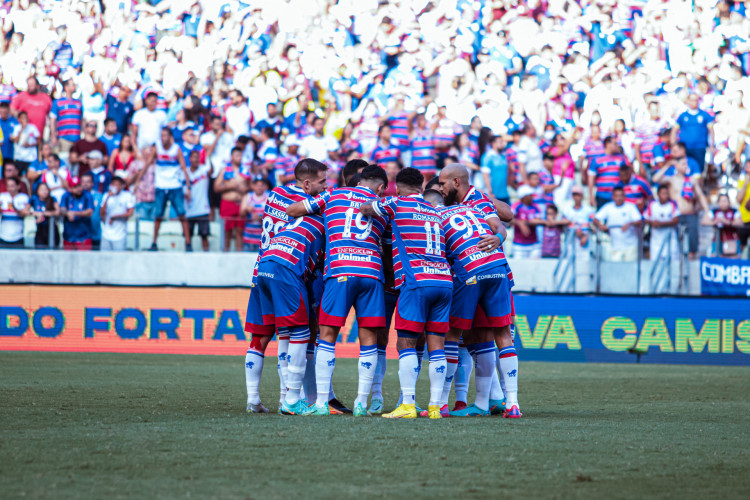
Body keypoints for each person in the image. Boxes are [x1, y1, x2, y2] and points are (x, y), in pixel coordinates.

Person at [286, 165, 391, 417]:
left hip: (340, 271)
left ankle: (322, 402)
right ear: (379, 187)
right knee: (368, 339)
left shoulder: (333, 195)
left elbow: (292, 210)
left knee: (327, 336)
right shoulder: (384, 206)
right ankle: (361, 403)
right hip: (371, 274)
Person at [359, 168, 453, 419]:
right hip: (444, 281)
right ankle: (435, 407)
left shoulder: (396, 203)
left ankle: (408, 404)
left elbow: (365, 209)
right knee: (437, 346)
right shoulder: (435, 210)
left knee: (405, 343)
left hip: (416, 281)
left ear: (398, 188)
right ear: (422, 188)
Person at [423, 189, 520, 418]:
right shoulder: (476, 206)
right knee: (501, 336)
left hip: (470, 272)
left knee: (452, 337)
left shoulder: (437, 217)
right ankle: (511, 404)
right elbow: (503, 223)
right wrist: (497, 239)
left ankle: (441, 405)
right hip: (498, 268)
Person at [244, 158, 329, 414]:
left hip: (262, 267)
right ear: (306, 184)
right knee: (295, 333)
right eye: (322, 182)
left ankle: (253, 398)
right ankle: (289, 398)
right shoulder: (310, 206)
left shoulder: (274, 194)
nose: (326, 187)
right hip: (290, 268)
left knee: (260, 337)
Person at [653, 157, 708, 259]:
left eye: (686, 164)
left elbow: (700, 196)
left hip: (690, 213)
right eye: (683, 164)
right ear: (677, 166)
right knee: (677, 238)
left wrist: (707, 212)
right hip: (676, 214)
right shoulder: (671, 180)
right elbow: (655, 179)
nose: (686, 166)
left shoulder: (691, 180)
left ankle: (692, 255)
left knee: (693, 235)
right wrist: (667, 165)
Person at [147, 128, 192, 252]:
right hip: (161, 186)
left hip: (175, 186)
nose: (163, 138)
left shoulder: (176, 149)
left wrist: (188, 187)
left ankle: (188, 243)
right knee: (158, 216)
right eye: (161, 135)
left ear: (170, 137)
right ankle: (154, 242)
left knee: (182, 214)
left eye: (165, 135)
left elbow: (183, 167)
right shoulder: (157, 148)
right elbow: (147, 163)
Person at [593, 186, 643, 262]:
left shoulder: (630, 207)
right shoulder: (608, 207)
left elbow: (639, 221)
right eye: (617, 196)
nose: (619, 198)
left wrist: (629, 224)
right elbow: (596, 219)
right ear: (613, 197)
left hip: (631, 246)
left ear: (624, 197)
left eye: (621, 196)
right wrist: (601, 226)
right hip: (615, 246)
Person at [214, 147, 247, 252]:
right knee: (227, 231)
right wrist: (230, 186)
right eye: (237, 155)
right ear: (231, 157)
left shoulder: (245, 171)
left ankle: (239, 255)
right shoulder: (224, 170)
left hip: (241, 203)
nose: (240, 158)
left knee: (239, 231)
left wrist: (245, 188)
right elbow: (216, 188)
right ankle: (225, 254)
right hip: (227, 203)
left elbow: (252, 186)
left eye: (241, 155)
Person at [672, 94, 714, 172]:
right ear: (688, 101)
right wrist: (673, 144)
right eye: (692, 100)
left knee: (699, 168)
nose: (694, 102)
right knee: (685, 168)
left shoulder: (704, 115)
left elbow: (711, 130)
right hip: (685, 148)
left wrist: (712, 145)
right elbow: (674, 130)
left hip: (699, 147)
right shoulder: (683, 116)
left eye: (696, 100)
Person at [588, 136, 628, 209]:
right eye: (615, 144)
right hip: (602, 196)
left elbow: (627, 174)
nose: (617, 146)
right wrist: (591, 196)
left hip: (617, 196)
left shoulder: (621, 158)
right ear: (607, 144)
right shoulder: (597, 159)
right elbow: (591, 179)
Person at [185, 149, 212, 252]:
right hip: (189, 210)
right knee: (188, 238)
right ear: (190, 159)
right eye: (194, 157)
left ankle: (207, 257)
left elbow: (211, 170)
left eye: (198, 157)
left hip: (203, 209)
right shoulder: (185, 172)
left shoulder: (204, 170)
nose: (196, 159)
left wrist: (208, 154)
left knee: (204, 236)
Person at [99, 175, 135, 251]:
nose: (115, 186)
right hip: (106, 233)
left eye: (117, 184)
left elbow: (130, 213)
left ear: (122, 186)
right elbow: (101, 213)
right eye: (113, 184)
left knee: (119, 259)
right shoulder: (106, 196)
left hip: (120, 235)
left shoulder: (127, 196)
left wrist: (115, 216)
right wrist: (108, 197)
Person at [645, 185, 680, 261]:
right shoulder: (652, 204)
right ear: (658, 194)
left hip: (670, 240)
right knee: (655, 262)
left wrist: (661, 224)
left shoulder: (672, 204)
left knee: (672, 262)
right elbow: (645, 219)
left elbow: (676, 220)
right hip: (656, 241)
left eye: (667, 193)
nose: (665, 196)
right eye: (663, 193)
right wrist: (652, 223)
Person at [59, 176, 94, 251]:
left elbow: (89, 212)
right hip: (68, 235)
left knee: (85, 260)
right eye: (75, 187)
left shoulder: (87, 195)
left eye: (79, 186)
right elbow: (62, 209)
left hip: (84, 235)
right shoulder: (66, 196)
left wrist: (74, 213)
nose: (78, 189)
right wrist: (67, 213)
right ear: (70, 189)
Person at [702, 194, 743, 258]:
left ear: (729, 202)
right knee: (716, 259)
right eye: (721, 201)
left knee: (733, 259)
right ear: (718, 202)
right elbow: (704, 222)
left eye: (725, 201)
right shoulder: (714, 211)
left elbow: (740, 223)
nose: (723, 203)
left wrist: (727, 222)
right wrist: (715, 222)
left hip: (732, 240)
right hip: (717, 241)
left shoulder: (734, 211)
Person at [49, 79, 83, 154]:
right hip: (64, 139)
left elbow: (82, 120)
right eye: (72, 84)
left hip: (77, 139)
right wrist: (53, 136)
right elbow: (52, 121)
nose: (75, 86)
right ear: (66, 87)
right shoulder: (57, 102)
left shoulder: (79, 102)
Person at [561, 186, 595, 259]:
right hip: (571, 241)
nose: (576, 197)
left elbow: (594, 228)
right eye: (574, 195)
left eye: (578, 195)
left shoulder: (589, 210)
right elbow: (563, 226)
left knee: (585, 264)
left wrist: (585, 237)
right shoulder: (566, 210)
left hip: (585, 242)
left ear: (582, 196)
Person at [511, 185, 545, 258]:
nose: (532, 197)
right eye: (530, 195)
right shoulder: (516, 206)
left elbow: (539, 221)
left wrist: (526, 222)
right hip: (519, 244)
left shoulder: (535, 206)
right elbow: (509, 219)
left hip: (534, 244)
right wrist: (520, 223)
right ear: (524, 196)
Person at [240, 176, 269, 252]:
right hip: (248, 238)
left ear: (265, 186)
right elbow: (241, 214)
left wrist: (260, 218)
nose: (259, 188)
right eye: (257, 185)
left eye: (261, 185)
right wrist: (246, 209)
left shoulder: (269, 197)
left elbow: (272, 217)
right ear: (253, 186)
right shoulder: (248, 196)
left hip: (263, 240)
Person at [0, 176, 30, 247]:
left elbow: (23, 214)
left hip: (18, 236)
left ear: (18, 186)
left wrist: (14, 207)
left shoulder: (24, 197)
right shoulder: (2, 196)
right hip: (3, 236)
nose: (10, 188)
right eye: (8, 186)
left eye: (12, 186)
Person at [30, 182, 60, 249]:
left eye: (46, 189)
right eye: (42, 189)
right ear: (37, 191)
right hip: (40, 229)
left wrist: (43, 214)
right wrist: (35, 213)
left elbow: (57, 212)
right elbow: (25, 210)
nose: (44, 191)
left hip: (52, 229)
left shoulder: (52, 199)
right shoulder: (34, 199)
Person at [737, 161, 750, 256]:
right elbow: (739, 199)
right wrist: (745, 184)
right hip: (744, 218)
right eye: (747, 167)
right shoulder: (741, 182)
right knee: (742, 245)